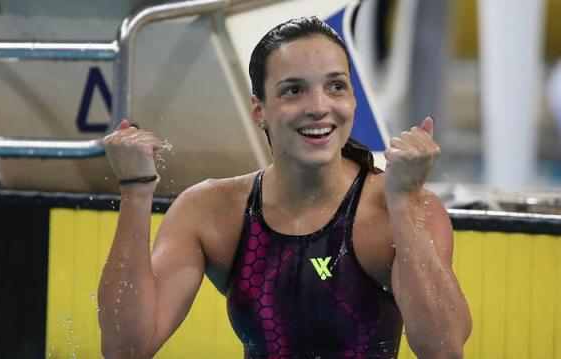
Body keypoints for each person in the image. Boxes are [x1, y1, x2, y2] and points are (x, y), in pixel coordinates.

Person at [98, 16, 471, 359]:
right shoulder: (210, 211)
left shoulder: (396, 209)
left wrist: (403, 201)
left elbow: (444, 349)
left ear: (353, 99)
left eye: (336, 87)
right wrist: (135, 189)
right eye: (294, 91)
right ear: (259, 110)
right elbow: (126, 348)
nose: (319, 107)